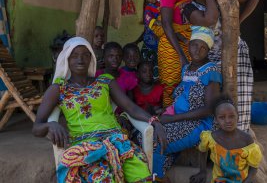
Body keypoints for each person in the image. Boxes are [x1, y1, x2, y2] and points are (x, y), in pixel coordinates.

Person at [32, 37, 167, 183]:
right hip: (86, 148)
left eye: (85, 55)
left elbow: (131, 107)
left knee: (142, 176)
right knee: (102, 178)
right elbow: (36, 128)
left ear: (91, 57)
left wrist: (154, 122)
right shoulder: (58, 89)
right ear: (67, 59)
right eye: (74, 55)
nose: (80, 60)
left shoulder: (105, 81)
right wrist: (49, 124)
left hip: (118, 143)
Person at [181, 0, 260, 132]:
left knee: (240, 97)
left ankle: (240, 137)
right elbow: (210, 19)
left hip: (236, 53)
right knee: (215, 101)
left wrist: (237, 22)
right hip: (210, 59)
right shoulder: (189, 8)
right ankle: (218, 142)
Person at [153, 26, 222, 182]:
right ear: (189, 45)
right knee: (143, 134)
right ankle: (160, 173)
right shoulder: (187, 69)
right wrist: (165, 111)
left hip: (200, 124)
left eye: (204, 47)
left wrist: (171, 119)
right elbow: (183, 96)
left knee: (155, 141)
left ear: (208, 50)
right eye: (195, 45)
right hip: (181, 119)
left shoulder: (211, 71)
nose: (198, 50)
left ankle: (159, 178)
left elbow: (209, 109)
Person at [191, 96, 262, 183]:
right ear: (216, 120)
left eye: (231, 116)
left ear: (238, 117)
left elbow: (254, 167)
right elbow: (202, 151)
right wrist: (202, 171)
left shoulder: (246, 140)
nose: (228, 121)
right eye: (222, 117)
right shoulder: (211, 138)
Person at [159, 0, 193, 107]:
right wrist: (180, 55)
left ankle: (185, 116)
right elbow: (166, 24)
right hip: (172, 46)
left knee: (190, 82)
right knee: (171, 85)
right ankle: (169, 120)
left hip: (188, 41)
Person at [135, 0, 162, 80]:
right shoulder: (148, 7)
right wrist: (156, 22)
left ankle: (156, 78)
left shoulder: (161, 5)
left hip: (158, 40)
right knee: (147, 61)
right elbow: (148, 19)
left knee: (158, 62)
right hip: (149, 38)